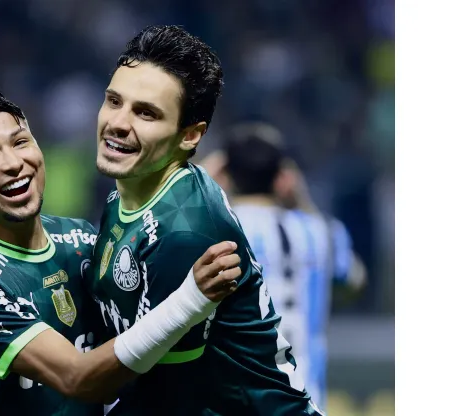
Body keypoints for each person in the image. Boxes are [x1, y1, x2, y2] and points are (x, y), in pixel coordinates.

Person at [0, 90, 240, 416]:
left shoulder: (81, 238)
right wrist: (190, 299)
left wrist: (192, 201)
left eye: (20, 143)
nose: (13, 162)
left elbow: (134, 346)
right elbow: (79, 377)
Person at [86, 25, 323, 415]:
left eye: (146, 113)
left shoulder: (185, 232)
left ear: (190, 136)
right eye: (114, 101)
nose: (118, 122)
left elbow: (160, 390)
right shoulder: (128, 195)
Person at [200, 122, 366, 409]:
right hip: (308, 400)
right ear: (282, 177)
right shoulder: (322, 231)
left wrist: (200, 180)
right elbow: (355, 282)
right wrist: (303, 200)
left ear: (225, 174)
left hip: (238, 401)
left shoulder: (214, 229)